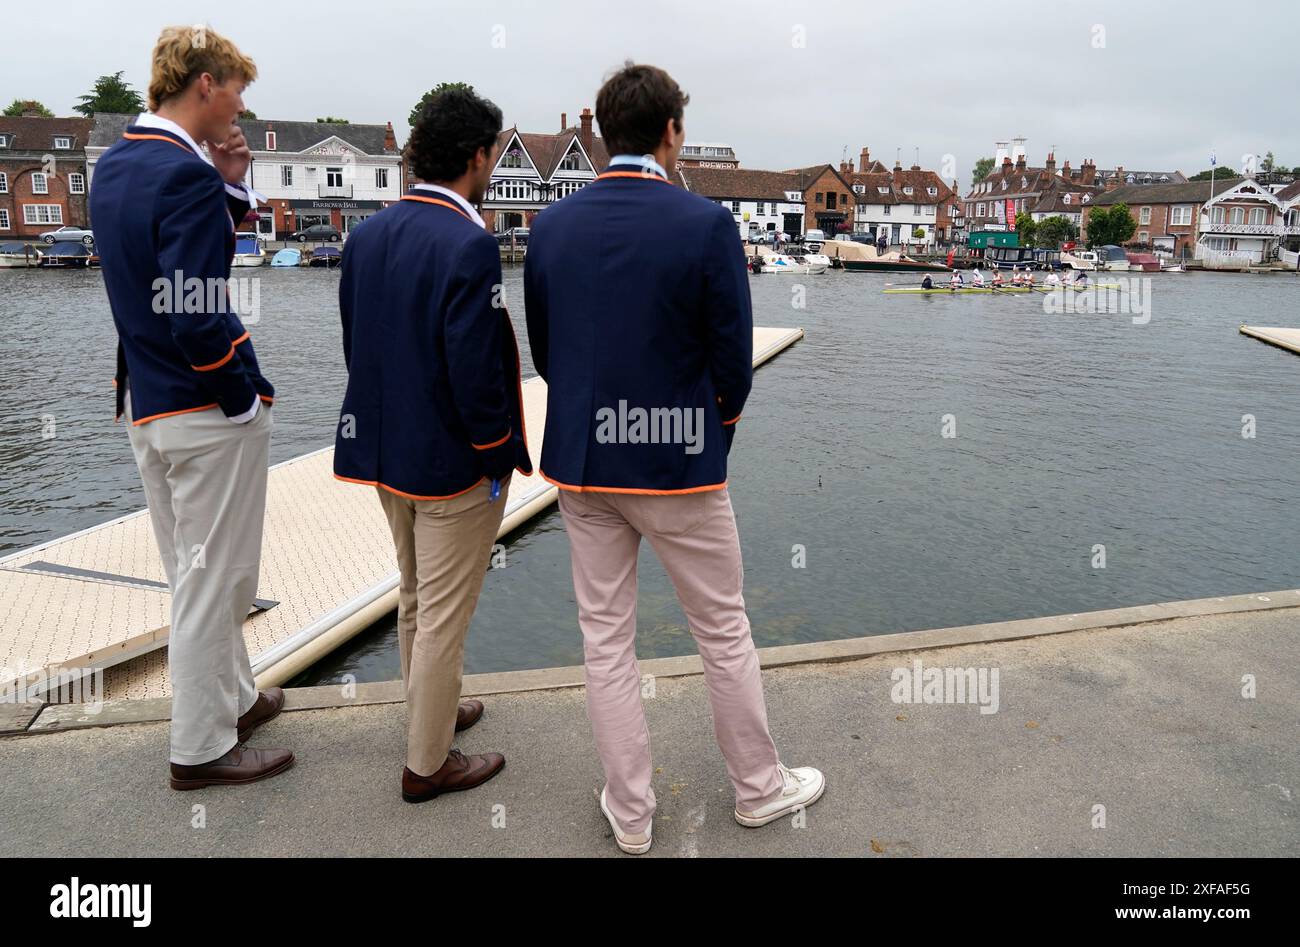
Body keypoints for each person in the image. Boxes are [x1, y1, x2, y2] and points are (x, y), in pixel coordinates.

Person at [524, 62, 824, 855]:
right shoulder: (704, 225)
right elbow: (732, 362)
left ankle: (630, 810)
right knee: (723, 629)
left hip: (584, 464)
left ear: (602, 133)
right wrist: (710, 431)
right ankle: (758, 788)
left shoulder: (550, 227)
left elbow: (547, 351)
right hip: (679, 463)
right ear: (669, 133)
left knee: (605, 639)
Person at [90, 26, 291, 789]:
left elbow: (161, 259)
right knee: (219, 580)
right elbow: (195, 308)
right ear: (205, 83)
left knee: (191, 570)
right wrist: (240, 397)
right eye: (237, 87)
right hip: (204, 411)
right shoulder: (184, 176)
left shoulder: (120, 164)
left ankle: (234, 700)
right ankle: (201, 747)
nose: (241, 103)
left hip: (148, 403)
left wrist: (230, 184)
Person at [333, 87, 532, 803]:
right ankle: (427, 764)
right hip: (453, 464)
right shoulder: (470, 243)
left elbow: (358, 345)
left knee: (415, 595)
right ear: (478, 158)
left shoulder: (367, 236)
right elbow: (475, 370)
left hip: (388, 454)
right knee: (446, 609)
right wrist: (496, 452)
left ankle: (431, 711)